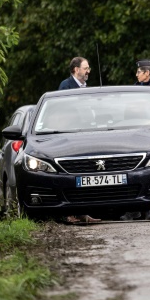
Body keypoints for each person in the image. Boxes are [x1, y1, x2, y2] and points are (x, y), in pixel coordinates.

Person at [118, 59, 150, 221]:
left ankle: (149, 210)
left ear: (147, 73)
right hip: (134, 135)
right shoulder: (136, 88)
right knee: (132, 172)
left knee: (148, 172)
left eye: (139, 72)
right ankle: (135, 209)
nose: (136, 74)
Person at [58, 57, 100, 224]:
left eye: (88, 68)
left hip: (87, 135)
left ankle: (83, 213)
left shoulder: (85, 87)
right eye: (85, 68)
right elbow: (63, 112)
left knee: (86, 176)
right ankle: (68, 213)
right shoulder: (65, 86)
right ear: (76, 69)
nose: (88, 71)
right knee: (72, 176)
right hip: (70, 137)